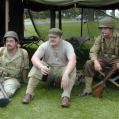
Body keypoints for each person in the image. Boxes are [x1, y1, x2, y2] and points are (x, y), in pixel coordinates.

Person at [22, 28, 76, 107]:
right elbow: (34, 58)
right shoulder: (44, 45)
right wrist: (41, 67)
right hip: (47, 71)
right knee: (37, 65)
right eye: (50, 37)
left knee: (72, 69)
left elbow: (73, 60)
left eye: (54, 37)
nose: (51, 39)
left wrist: (66, 73)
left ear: (61, 38)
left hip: (61, 70)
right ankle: (29, 94)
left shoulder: (67, 45)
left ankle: (65, 96)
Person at [79, 16, 119, 96]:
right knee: (88, 63)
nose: (102, 30)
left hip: (116, 60)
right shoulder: (100, 38)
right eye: (101, 28)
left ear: (111, 28)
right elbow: (93, 51)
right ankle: (88, 90)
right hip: (103, 59)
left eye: (105, 28)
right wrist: (96, 61)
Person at [0, 31, 29, 99]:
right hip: (1, 76)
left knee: (8, 91)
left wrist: (24, 80)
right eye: (7, 41)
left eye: (11, 41)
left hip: (13, 79)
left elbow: (25, 68)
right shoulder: (1, 50)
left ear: (16, 42)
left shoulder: (23, 53)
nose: (8, 43)